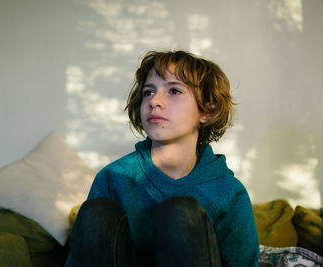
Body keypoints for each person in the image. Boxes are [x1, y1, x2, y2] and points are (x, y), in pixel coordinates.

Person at [65, 50, 260, 266]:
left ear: (207, 110)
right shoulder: (113, 177)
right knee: (96, 213)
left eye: (174, 91)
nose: (154, 101)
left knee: (180, 213)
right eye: (148, 92)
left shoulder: (229, 192)